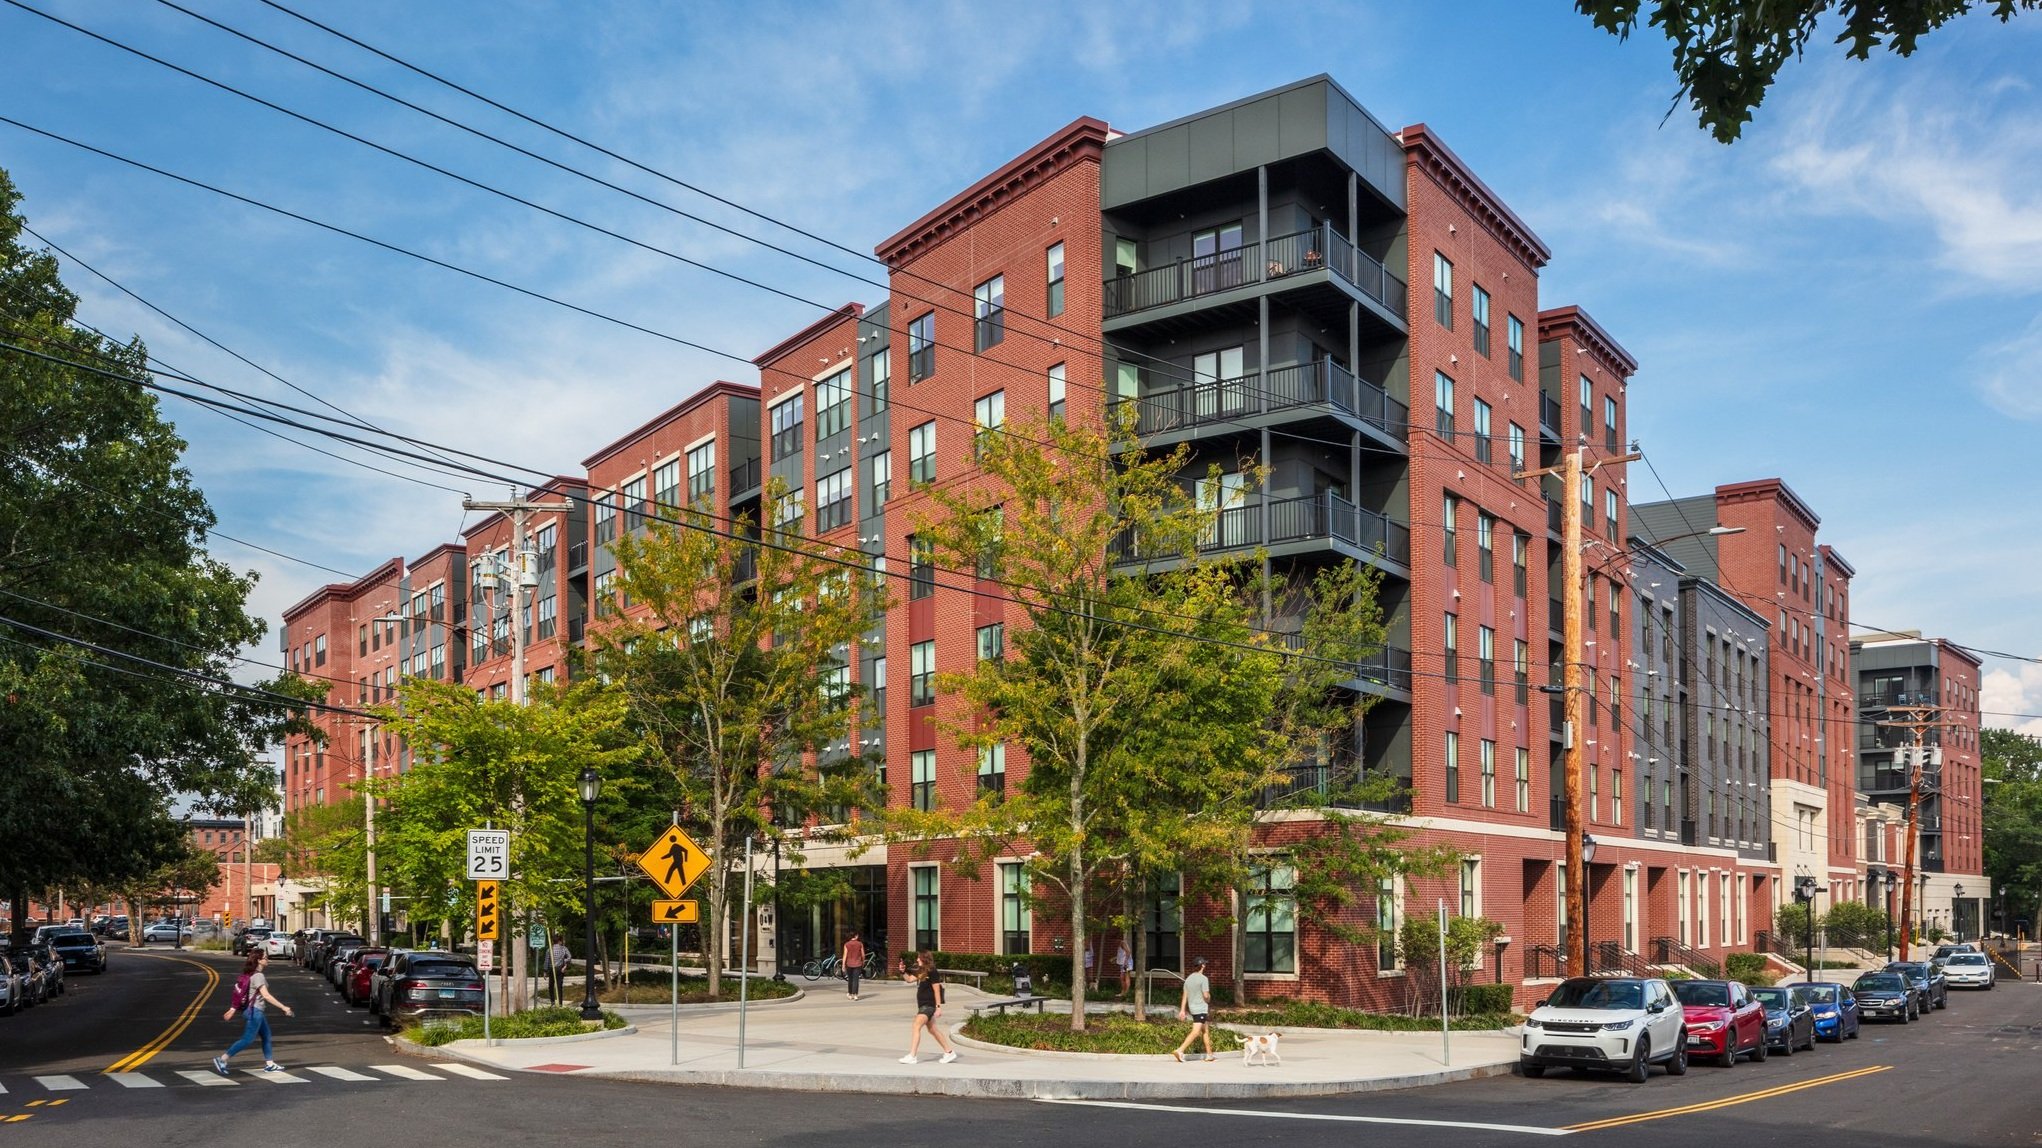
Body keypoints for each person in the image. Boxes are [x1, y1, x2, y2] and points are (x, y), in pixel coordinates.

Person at [213, 949, 294, 1076]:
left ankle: (270, 1064)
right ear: (259, 960)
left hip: (253, 1011)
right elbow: (266, 996)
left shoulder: (251, 974)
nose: (268, 960)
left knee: (266, 1036)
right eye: (266, 958)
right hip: (255, 1011)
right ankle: (222, 1059)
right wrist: (283, 1007)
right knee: (247, 1039)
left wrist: (233, 1009)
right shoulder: (258, 976)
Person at [898, 952, 958, 1065]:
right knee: (933, 1030)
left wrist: (938, 1007)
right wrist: (902, 971)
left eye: (919, 958)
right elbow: (909, 979)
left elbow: (936, 990)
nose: (917, 960)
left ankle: (912, 1056)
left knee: (916, 1025)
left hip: (929, 1005)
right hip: (922, 1005)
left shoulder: (932, 971)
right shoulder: (922, 971)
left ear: (925, 959)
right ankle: (949, 1052)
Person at [1171, 955, 1213, 1064]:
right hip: (1201, 1009)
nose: (1205, 965)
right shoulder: (1204, 979)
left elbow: (1185, 996)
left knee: (1205, 1030)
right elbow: (1206, 995)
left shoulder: (1188, 979)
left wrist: (1182, 1010)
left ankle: (1209, 1055)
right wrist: (1209, 997)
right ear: (1202, 965)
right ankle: (1180, 1050)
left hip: (1193, 1008)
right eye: (1205, 963)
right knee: (1196, 1032)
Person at [842, 932, 867, 1001]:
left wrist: (843, 965)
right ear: (856, 936)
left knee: (850, 979)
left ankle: (850, 994)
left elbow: (845, 955)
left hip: (849, 964)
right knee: (856, 979)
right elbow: (863, 955)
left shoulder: (846, 944)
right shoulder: (860, 944)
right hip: (858, 964)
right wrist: (863, 961)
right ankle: (855, 995)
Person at [548, 935, 571, 1005]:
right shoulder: (564, 948)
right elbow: (569, 957)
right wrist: (564, 962)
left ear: (553, 941)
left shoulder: (550, 949)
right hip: (560, 969)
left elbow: (547, 960)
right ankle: (560, 1003)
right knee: (559, 986)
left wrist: (545, 971)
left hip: (552, 969)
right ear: (559, 941)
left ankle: (552, 1002)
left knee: (551, 985)